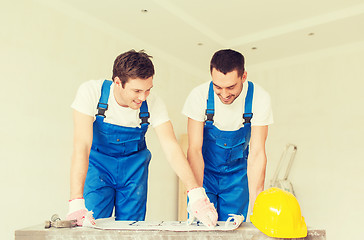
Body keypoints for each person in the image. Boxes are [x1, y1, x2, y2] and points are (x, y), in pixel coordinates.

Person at [66, 50, 217, 227]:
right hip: (99, 168)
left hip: (134, 172)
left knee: (132, 228)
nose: (143, 97)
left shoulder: (153, 103)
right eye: (137, 90)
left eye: (148, 90)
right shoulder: (92, 93)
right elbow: (82, 146)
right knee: (93, 226)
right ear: (117, 82)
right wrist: (75, 201)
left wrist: (196, 193)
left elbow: (171, 147)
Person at [182, 49, 273, 221]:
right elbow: (194, 149)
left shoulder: (259, 98)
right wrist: (196, 194)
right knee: (202, 230)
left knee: (233, 231)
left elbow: (257, 153)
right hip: (205, 175)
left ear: (243, 76)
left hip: (237, 179)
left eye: (231, 87)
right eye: (218, 87)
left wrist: (256, 205)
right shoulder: (199, 96)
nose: (224, 94)